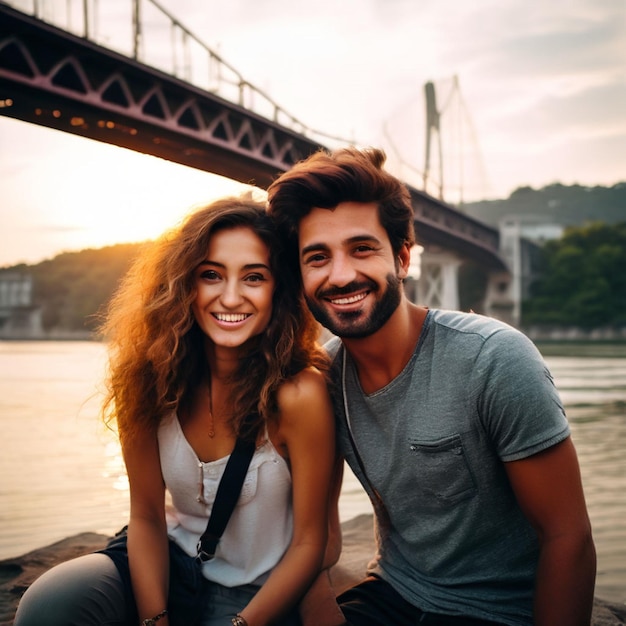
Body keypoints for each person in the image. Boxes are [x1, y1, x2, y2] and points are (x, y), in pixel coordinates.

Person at [266, 147, 597, 626]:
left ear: (402, 258)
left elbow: (568, 536)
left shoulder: (495, 359)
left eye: (362, 249)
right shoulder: (321, 381)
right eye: (318, 258)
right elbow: (313, 536)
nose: (341, 275)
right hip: (393, 592)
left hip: (499, 612)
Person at [14, 195, 339, 626]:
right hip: (168, 560)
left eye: (254, 277)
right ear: (185, 283)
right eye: (211, 275)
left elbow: (311, 543)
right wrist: (155, 618)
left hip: (258, 589)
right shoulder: (147, 378)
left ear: (277, 289)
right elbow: (147, 516)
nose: (230, 297)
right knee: (49, 606)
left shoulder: (299, 395)